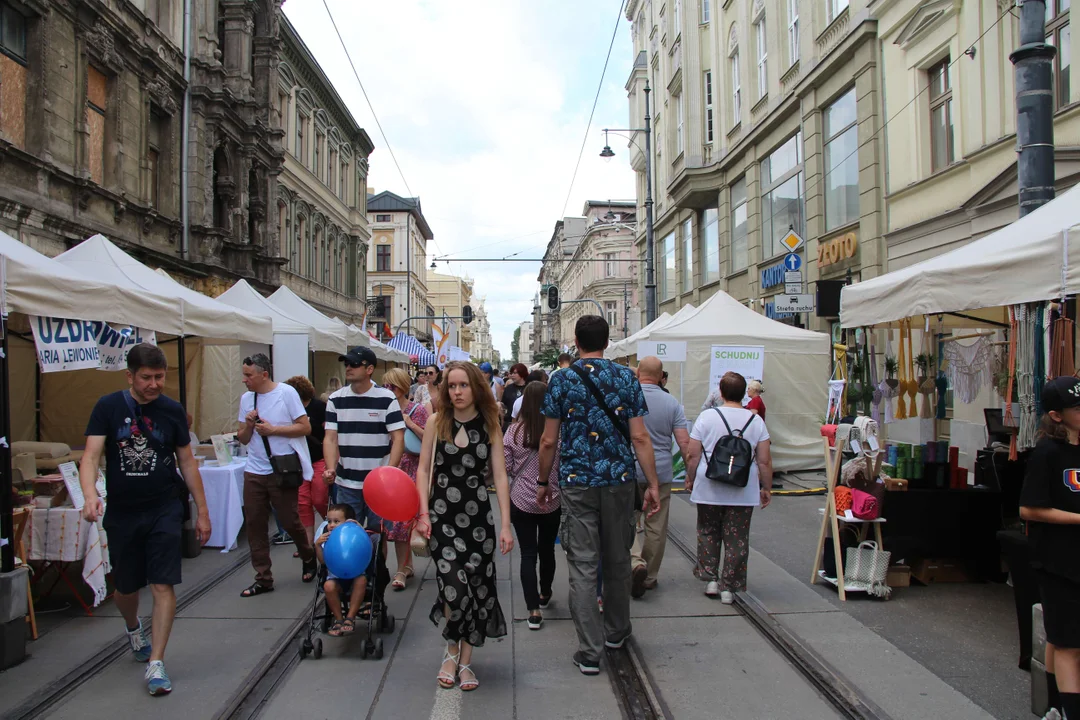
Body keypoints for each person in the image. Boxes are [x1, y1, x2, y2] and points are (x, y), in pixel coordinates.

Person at [80, 343, 211, 696]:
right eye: (147, 378)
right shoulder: (108, 407)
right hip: (123, 510)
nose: (154, 384)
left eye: (160, 377)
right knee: (125, 588)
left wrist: (202, 511)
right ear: (130, 376)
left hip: (164, 507)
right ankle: (132, 625)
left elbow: (187, 462)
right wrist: (91, 495)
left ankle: (156, 661)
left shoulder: (171, 410)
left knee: (162, 583)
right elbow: (91, 456)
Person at [537, 315, 661, 676]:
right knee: (618, 558)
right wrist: (651, 483)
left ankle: (589, 652)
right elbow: (640, 437)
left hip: (577, 483)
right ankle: (617, 632)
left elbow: (548, 440)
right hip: (619, 480)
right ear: (607, 341)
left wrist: (543, 482)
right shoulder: (626, 377)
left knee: (583, 563)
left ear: (576, 341)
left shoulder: (561, 380)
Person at [416, 361, 514, 692]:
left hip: (478, 524)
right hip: (442, 518)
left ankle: (465, 662)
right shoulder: (435, 421)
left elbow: (500, 475)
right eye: (452, 386)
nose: (457, 392)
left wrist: (505, 525)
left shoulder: (489, 424)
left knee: (476, 590)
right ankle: (450, 652)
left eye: (463, 385)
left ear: (475, 388)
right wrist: (422, 513)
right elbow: (423, 470)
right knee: (453, 590)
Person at [1020, 376, 1080, 720]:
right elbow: (1028, 509)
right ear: (1057, 415)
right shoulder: (1046, 453)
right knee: (1072, 643)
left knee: (1061, 635)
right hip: (1058, 561)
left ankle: (1054, 706)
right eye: (1077, 408)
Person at [684, 372, 772, 604]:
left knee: (708, 531)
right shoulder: (756, 422)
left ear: (720, 393)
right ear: (744, 394)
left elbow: (693, 454)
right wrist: (766, 487)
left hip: (708, 485)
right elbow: (764, 460)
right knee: (738, 538)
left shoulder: (706, 417)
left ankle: (710, 577)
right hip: (743, 489)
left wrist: (690, 478)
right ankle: (729, 587)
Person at [236, 353, 318, 597]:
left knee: (289, 519)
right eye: (244, 375)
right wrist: (249, 426)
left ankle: (307, 554)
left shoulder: (286, 393)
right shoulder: (246, 399)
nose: (244, 380)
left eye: (248, 375)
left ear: (264, 374)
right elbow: (242, 437)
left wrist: (274, 430)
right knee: (255, 523)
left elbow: (305, 427)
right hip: (254, 469)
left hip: (282, 469)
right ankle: (263, 577)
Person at [323, 346, 405, 528]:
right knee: (348, 533)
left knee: (378, 535)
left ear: (369, 369)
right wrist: (330, 468)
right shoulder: (335, 399)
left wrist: (389, 472)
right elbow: (330, 438)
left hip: (378, 484)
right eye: (347, 364)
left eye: (354, 364)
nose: (348, 368)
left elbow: (398, 438)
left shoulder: (386, 398)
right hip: (346, 482)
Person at [630, 357, 690, 598]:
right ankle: (650, 576)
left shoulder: (627, 398)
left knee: (626, 520)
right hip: (662, 470)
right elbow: (684, 441)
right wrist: (690, 473)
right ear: (661, 376)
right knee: (656, 524)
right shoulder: (672, 402)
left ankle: (635, 563)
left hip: (630, 469)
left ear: (638, 374)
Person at [505, 381, 561, 631]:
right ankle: (546, 591)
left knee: (528, 554)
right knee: (547, 549)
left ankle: (533, 611)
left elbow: (506, 467)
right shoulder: (558, 431)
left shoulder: (514, 432)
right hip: (551, 499)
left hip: (521, 500)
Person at [381, 367, 429, 590]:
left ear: (400, 388)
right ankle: (396, 567)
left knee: (406, 522)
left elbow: (429, 438)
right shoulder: (382, 408)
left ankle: (403, 567)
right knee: (387, 523)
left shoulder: (416, 409)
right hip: (390, 468)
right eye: (385, 386)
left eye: (391, 386)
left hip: (412, 468)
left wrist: (409, 422)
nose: (387, 390)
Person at [284, 376, 329, 554]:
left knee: (319, 498)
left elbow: (328, 433)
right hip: (299, 461)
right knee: (302, 503)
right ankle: (307, 543)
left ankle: (331, 524)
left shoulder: (318, 407)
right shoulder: (287, 409)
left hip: (319, 459)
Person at [315, 503, 368, 636]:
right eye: (329, 521)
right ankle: (338, 619)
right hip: (335, 576)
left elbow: (367, 552)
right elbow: (323, 562)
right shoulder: (327, 538)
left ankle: (350, 618)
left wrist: (358, 527)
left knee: (362, 580)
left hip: (355, 575)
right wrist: (317, 546)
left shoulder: (355, 536)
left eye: (336, 521)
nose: (331, 525)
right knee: (328, 586)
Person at [500, 363, 528, 429]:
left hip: (526, 424)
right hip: (509, 423)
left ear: (522, 373)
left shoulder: (529, 388)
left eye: (515, 373)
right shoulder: (508, 388)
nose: (512, 375)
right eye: (511, 373)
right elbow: (503, 404)